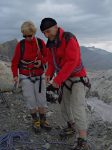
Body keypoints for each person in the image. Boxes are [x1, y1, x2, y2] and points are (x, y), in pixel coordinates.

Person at [40, 18, 90, 150]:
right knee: (63, 105)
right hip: (64, 79)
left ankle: (83, 139)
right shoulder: (51, 43)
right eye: (44, 33)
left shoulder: (69, 38)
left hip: (78, 78)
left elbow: (71, 62)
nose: (46, 35)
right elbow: (51, 62)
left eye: (48, 31)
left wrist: (56, 81)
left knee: (77, 107)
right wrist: (48, 74)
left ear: (56, 27)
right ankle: (71, 126)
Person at [11, 21, 51, 132]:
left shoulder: (40, 42)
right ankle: (35, 121)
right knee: (30, 100)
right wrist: (15, 75)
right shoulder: (21, 45)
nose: (27, 38)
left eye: (30, 35)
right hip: (25, 76)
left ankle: (43, 120)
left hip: (39, 75)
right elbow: (14, 62)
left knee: (41, 99)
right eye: (25, 36)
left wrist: (41, 61)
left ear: (34, 33)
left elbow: (47, 56)